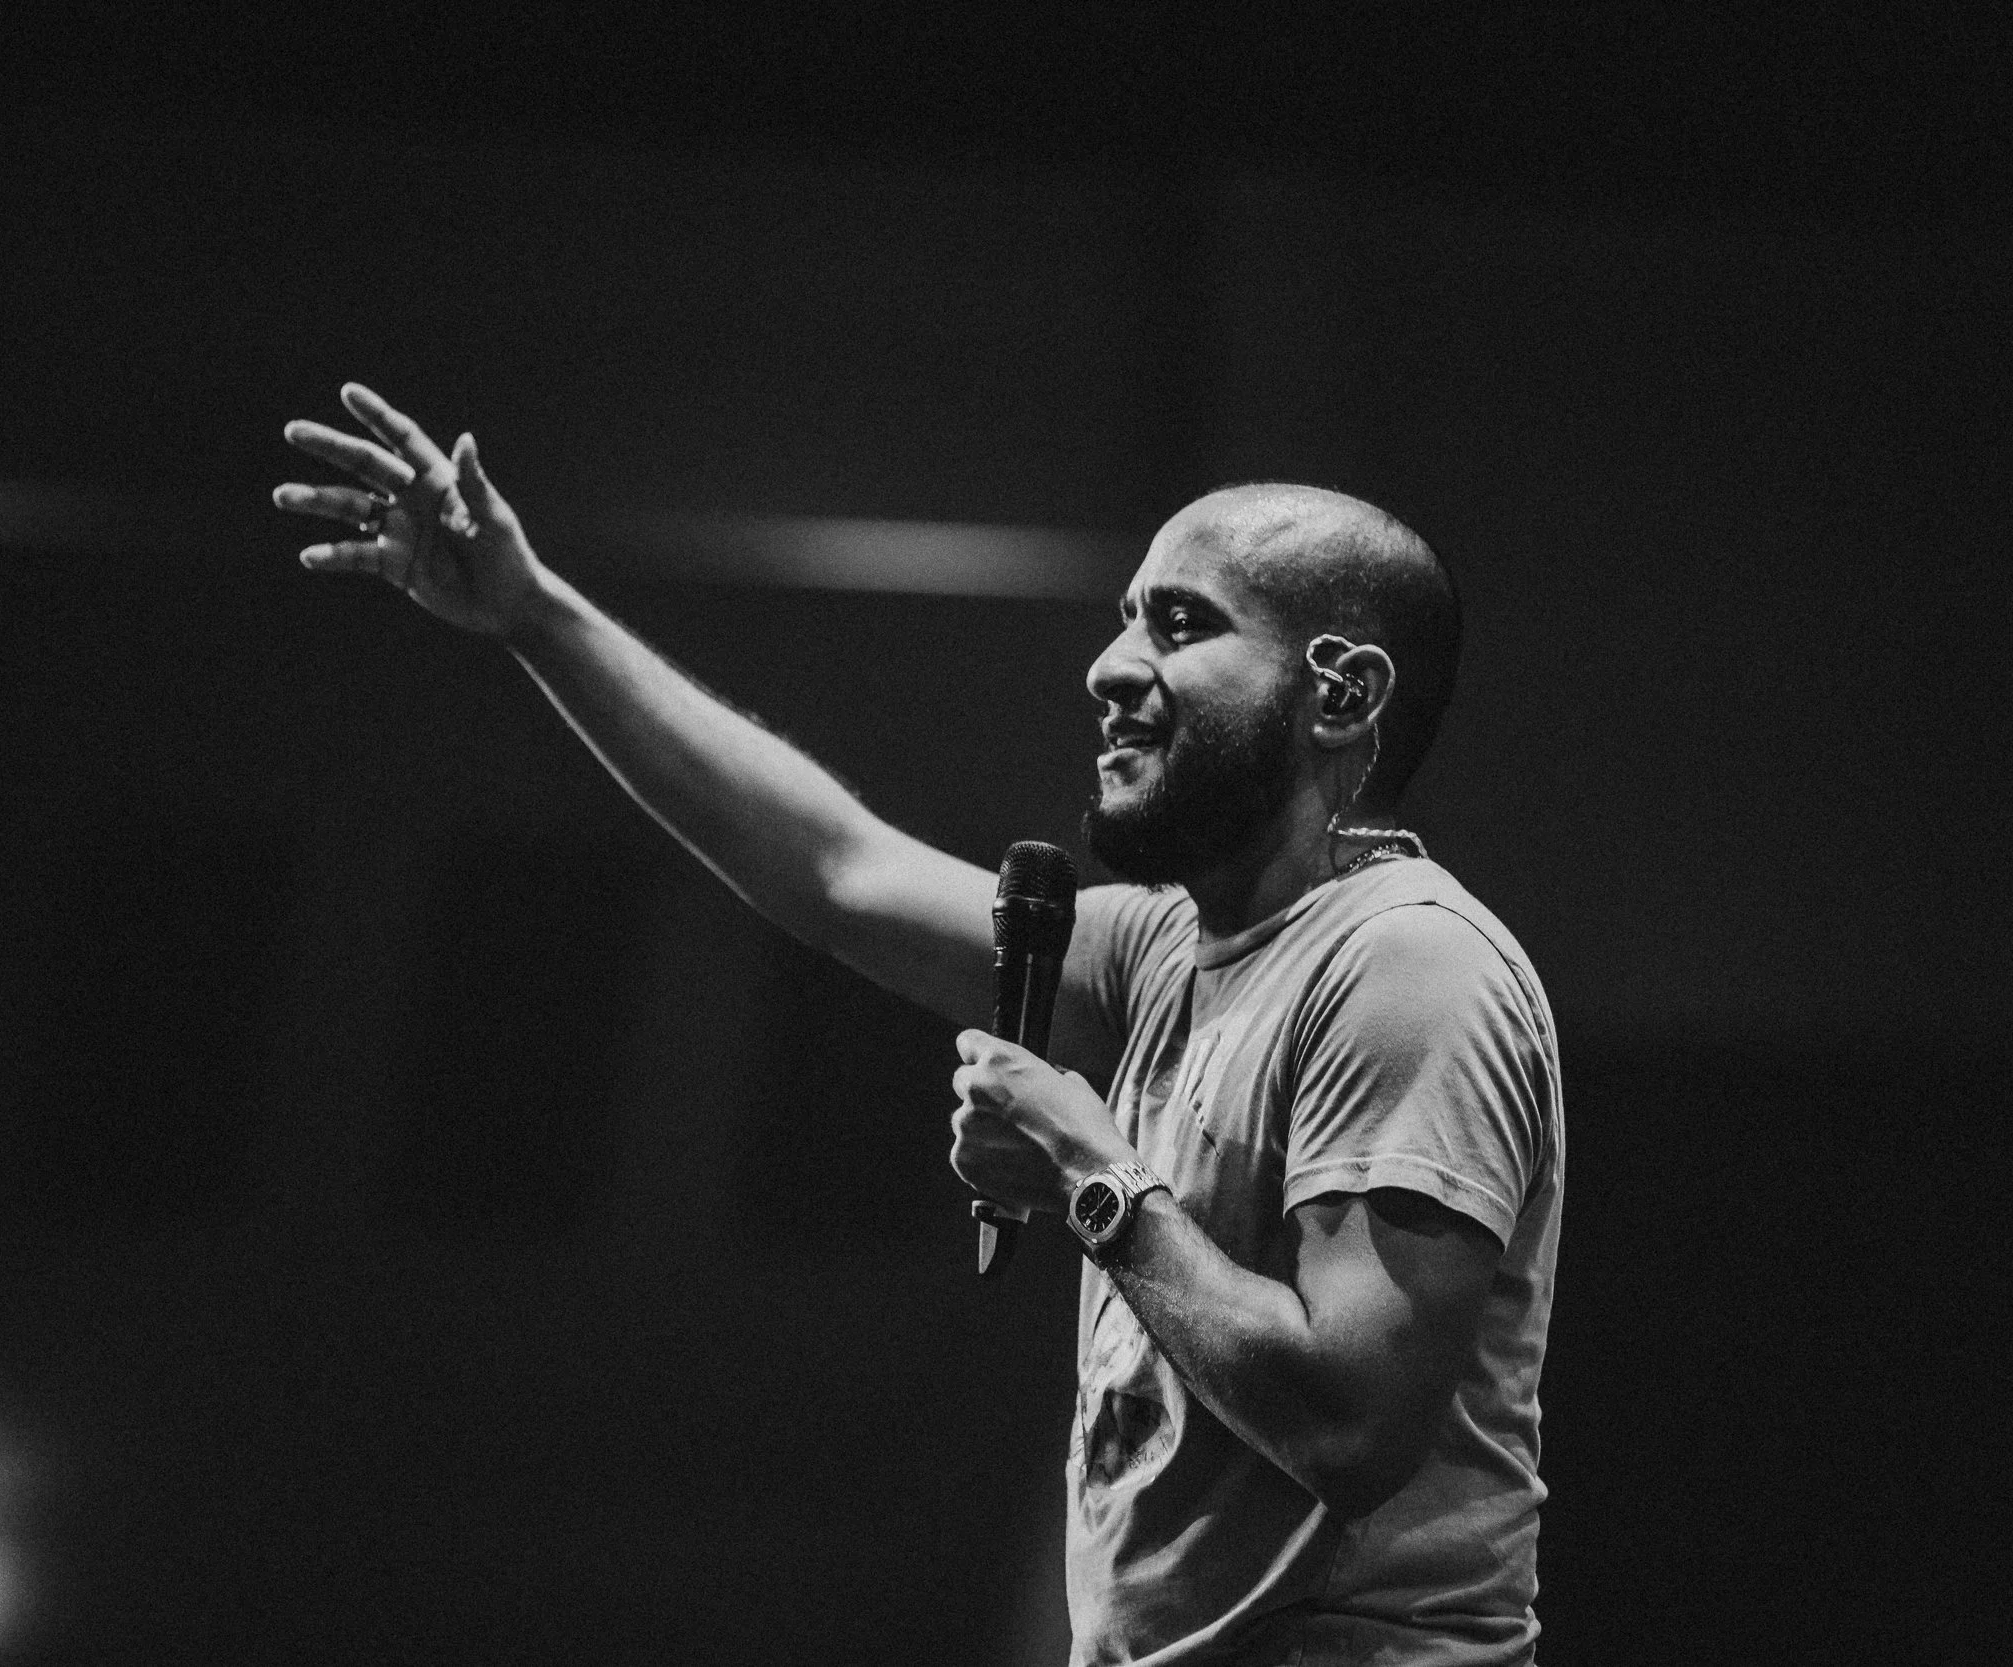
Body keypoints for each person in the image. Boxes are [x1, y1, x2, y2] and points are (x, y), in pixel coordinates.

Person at [275, 384, 1564, 1665]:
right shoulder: (1171, 950)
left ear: (1341, 694)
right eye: (1126, 619)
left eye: (1181, 625)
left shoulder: (1408, 964)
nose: (1111, 668)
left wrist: (1093, 1181)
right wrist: (533, 615)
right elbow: (837, 871)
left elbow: (1351, 1427)